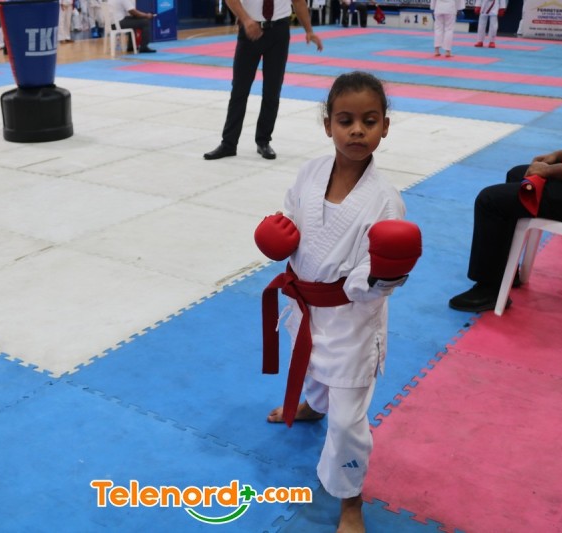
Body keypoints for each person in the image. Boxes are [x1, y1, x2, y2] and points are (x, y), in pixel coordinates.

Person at [264, 72, 408, 533]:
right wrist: (278, 231)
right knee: (308, 366)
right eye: (346, 121)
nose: (357, 131)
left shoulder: (386, 200)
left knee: (347, 425)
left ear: (385, 127)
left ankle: (350, 502)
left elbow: (375, 278)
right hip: (305, 307)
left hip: (352, 323)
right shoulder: (310, 172)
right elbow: (292, 213)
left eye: (369, 121)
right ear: (328, 125)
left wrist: (384, 275)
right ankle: (312, 406)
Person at [449, 114, 562, 312]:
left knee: (490, 201)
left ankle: (489, 289)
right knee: (517, 174)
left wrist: (550, 171)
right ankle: (505, 271)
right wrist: (558, 156)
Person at [203, 0, 323, 161]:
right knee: (239, 89)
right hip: (250, 28)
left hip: (279, 32)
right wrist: (246, 19)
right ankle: (228, 143)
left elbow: (298, 1)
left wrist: (309, 30)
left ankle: (263, 141)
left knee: (272, 90)